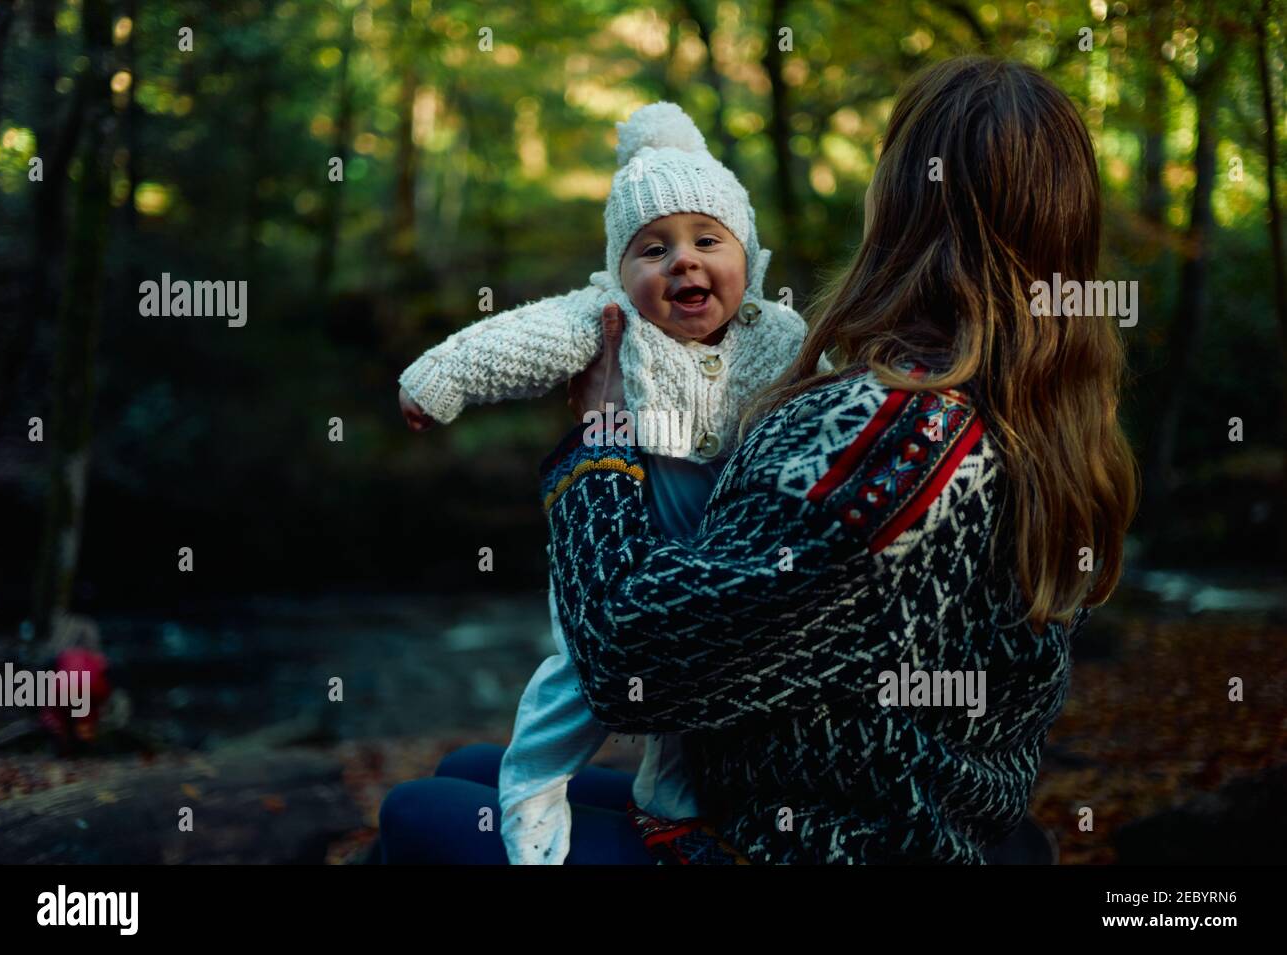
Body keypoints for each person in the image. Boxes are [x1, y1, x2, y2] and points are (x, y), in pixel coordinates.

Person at [380, 54, 1138, 864]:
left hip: (807, 842)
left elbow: (624, 660)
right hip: (912, 817)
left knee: (416, 811)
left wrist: (601, 437)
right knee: (471, 771)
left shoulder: (892, 439)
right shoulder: (1048, 423)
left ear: (901, 206)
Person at [393, 101, 822, 864]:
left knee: (694, 699)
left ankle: (669, 796)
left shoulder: (783, 335)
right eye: (651, 249)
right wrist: (436, 380)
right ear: (620, 273)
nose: (682, 261)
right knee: (578, 684)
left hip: (718, 563)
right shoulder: (608, 320)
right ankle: (530, 794)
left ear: (749, 255)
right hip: (622, 550)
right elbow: (517, 339)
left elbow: (834, 400)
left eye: (706, 240)